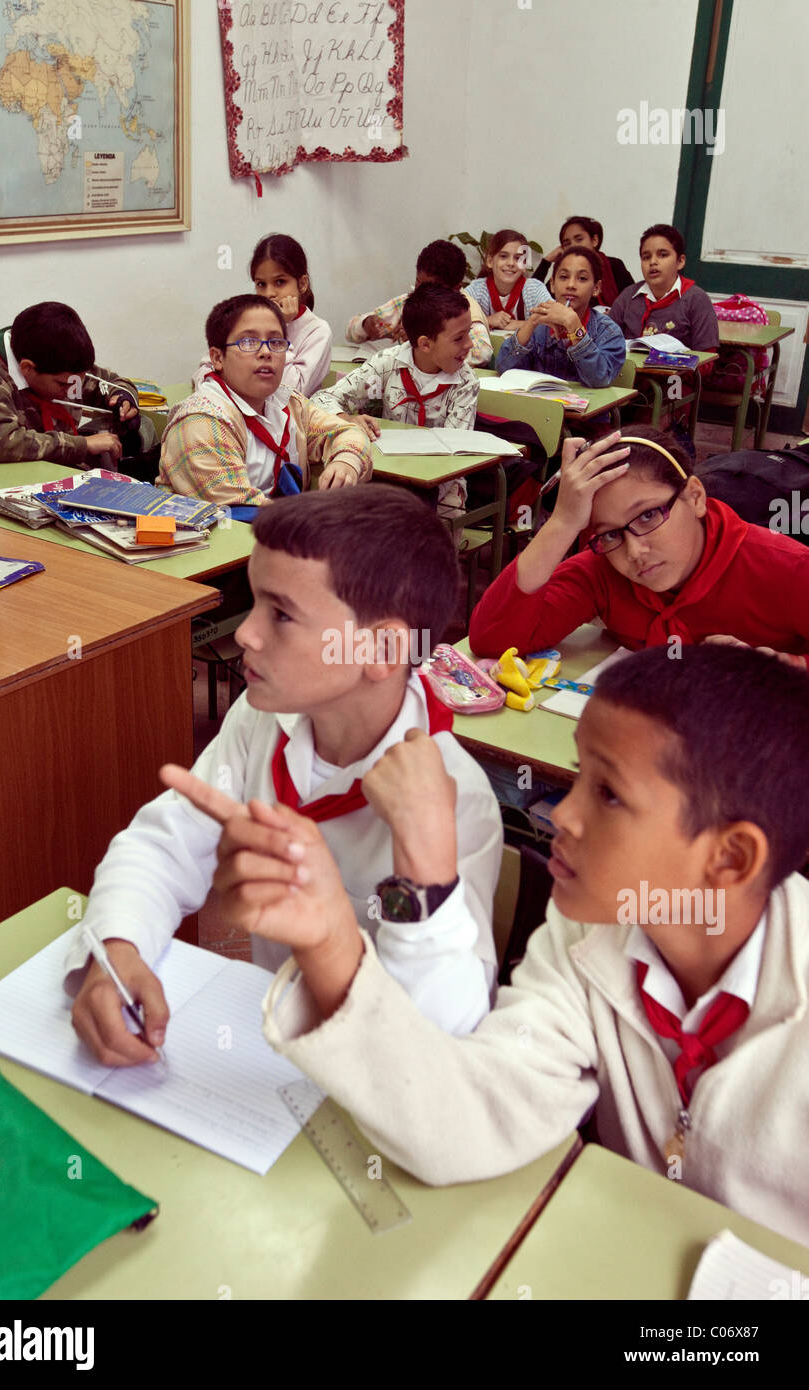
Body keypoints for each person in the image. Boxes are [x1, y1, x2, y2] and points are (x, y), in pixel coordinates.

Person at [196, 642, 809, 1246]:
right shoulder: (586, 937)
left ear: (729, 857)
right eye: (578, 777)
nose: (561, 816)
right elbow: (468, 1121)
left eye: (609, 794)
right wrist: (330, 942)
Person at [65, 486, 502, 1049]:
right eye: (253, 603)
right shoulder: (264, 719)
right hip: (268, 1045)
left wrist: (424, 877)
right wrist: (115, 950)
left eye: (281, 614)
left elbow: (446, 1040)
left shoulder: (455, 799)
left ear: (382, 652)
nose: (245, 633)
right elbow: (163, 847)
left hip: (377, 1086)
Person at [467, 426, 809, 666]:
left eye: (647, 516)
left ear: (695, 496)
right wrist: (562, 523)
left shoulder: (788, 568)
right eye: (611, 533)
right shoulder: (604, 568)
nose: (634, 551)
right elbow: (493, 639)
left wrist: (786, 665)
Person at [159, 295, 371, 510]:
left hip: (279, 529)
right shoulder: (202, 422)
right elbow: (241, 509)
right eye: (249, 342)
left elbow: (347, 432)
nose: (266, 352)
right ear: (217, 358)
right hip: (227, 537)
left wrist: (347, 461)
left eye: (276, 342)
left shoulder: (288, 403)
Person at [312, 284, 478, 518]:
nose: (470, 344)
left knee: (437, 519)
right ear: (425, 344)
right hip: (390, 474)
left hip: (441, 486)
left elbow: (454, 457)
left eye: (469, 333)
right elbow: (321, 399)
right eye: (459, 338)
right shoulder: (387, 364)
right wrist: (346, 418)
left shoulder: (465, 382)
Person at [0, 301, 149, 468]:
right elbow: (1, 443)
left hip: (55, 470)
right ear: (27, 368)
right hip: (4, 480)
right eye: (63, 384)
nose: (72, 388)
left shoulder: (62, 367)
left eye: (77, 381)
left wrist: (124, 398)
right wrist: (83, 445)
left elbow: (113, 382)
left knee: (145, 429)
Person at [194, 234, 332, 398]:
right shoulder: (246, 319)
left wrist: (282, 328)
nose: (269, 294)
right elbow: (205, 369)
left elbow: (289, 393)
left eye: (280, 282)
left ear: (302, 283)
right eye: (261, 284)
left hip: (289, 421)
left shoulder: (318, 331)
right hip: (238, 412)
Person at [346, 239, 493, 367]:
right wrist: (366, 325)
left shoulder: (466, 311)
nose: (421, 293)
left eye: (431, 288)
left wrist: (420, 346)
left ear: (455, 288)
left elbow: (483, 353)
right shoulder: (408, 301)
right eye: (418, 282)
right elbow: (351, 330)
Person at [495, 247, 626, 388]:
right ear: (552, 284)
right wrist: (531, 323)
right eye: (563, 277)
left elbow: (599, 379)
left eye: (582, 278)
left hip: (587, 408)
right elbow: (503, 368)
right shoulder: (539, 327)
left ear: (596, 288)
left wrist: (574, 327)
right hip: (541, 406)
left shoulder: (608, 331)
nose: (570, 285)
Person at [609, 225, 719, 352]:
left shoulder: (696, 299)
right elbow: (605, 342)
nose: (653, 262)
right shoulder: (628, 295)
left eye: (662, 255)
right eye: (646, 257)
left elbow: (707, 359)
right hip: (629, 370)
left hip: (677, 371)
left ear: (680, 262)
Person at [533, 216, 634, 307]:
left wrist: (615, 314)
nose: (574, 246)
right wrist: (546, 262)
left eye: (579, 239)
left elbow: (633, 301)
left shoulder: (614, 265)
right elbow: (532, 296)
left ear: (594, 240)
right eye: (567, 243)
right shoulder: (562, 272)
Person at [466, 228, 552, 329]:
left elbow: (554, 320)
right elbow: (453, 319)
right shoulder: (478, 289)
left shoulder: (534, 289)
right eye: (503, 256)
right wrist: (487, 320)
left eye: (517, 258)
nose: (511, 263)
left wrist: (520, 324)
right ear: (490, 261)